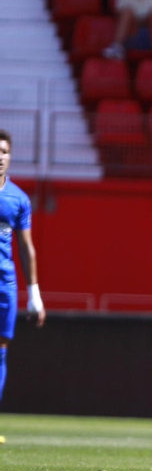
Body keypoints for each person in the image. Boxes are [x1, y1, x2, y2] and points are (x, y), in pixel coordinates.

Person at [0, 132, 44, 435]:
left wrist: (35, 295)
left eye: (3, 151)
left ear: (10, 155)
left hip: (5, 285)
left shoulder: (18, 199)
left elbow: (27, 248)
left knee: (1, 351)